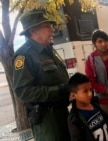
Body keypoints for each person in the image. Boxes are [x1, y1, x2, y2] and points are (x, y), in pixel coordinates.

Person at [12, 10, 70, 141]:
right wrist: (58, 91)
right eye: (47, 26)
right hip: (47, 121)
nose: (52, 30)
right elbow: (22, 92)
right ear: (33, 31)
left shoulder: (49, 50)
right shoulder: (24, 55)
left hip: (62, 113)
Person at [67, 72, 108, 141]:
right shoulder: (75, 119)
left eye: (90, 89)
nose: (90, 94)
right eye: (85, 91)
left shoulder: (95, 104)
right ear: (73, 95)